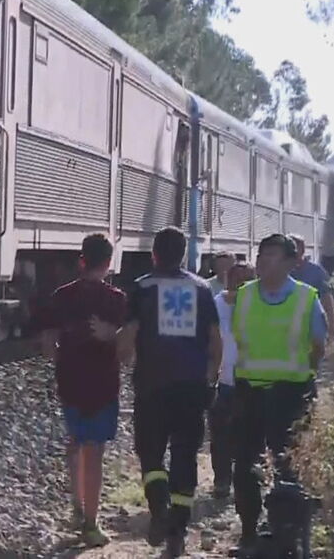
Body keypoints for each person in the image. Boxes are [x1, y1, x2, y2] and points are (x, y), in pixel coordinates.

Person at [117, 226, 223, 558]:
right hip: (191, 386)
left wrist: (123, 359)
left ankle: (158, 506)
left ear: (154, 254)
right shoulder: (202, 289)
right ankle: (177, 531)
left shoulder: (142, 287)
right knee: (185, 455)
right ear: (184, 254)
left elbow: (129, 337)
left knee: (150, 453)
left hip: (152, 386)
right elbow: (215, 340)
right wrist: (210, 375)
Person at [229, 234, 326, 557]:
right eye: (261, 255)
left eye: (271, 255)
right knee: (244, 466)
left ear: (290, 263)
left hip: (292, 392)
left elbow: (318, 347)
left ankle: (286, 536)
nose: (263, 261)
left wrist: (298, 376)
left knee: (289, 467)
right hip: (250, 392)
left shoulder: (305, 297)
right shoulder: (243, 295)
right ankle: (249, 533)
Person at [36, 234, 127, 548]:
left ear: (81, 260)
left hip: (71, 382)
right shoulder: (117, 299)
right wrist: (109, 336)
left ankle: (77, 505)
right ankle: (91, 522)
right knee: (95, 451)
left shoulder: (61, 296)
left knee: (76, 442)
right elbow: (126, 348)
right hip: (103, 384)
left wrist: (66, 360)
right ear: (109, 263)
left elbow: (48, 346)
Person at [209, 261, 255, 500]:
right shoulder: (215, 306)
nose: (241, 286)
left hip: (252, 382)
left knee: (246, 437)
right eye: (237, 281)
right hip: (223, 381)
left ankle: (245, 482)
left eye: (247, 281)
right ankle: (222, 480)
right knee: (220, 435)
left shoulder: (260, 307)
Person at [288, 234, 334, 344]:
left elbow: (327, 302)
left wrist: (331, 331)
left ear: (302, 250)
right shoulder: (282, 271)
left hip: (311, 328)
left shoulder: (316, 272)